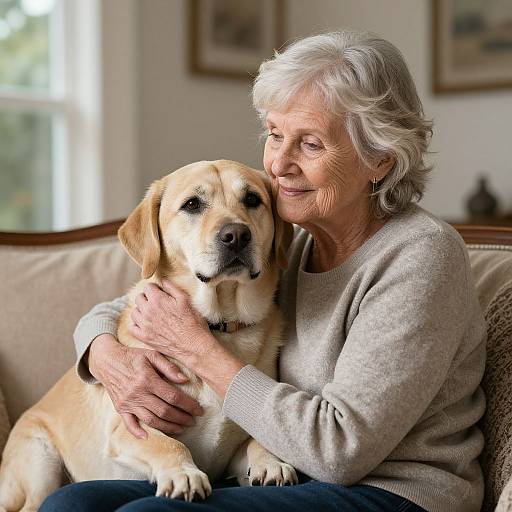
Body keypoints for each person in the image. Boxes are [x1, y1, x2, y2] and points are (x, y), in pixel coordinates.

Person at [40, 30, 486, 512]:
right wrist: (103, 352)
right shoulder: (291, 246)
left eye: (310, 144)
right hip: (285, 476)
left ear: (379, 158)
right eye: (275, 135)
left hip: (390, 491)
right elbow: (134, 303)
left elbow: (341, 452)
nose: (280, 165)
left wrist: (198, 348)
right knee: (72, 505)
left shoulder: (421, 257)